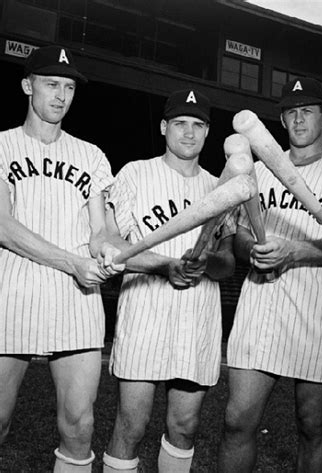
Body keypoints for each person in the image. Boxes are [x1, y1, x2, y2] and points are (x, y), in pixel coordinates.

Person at [218, 77, 322, 472]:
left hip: (319, 309)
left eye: (307, 111)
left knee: (312, 425)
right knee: (237, 420)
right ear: (281, 121)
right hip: (261, 307)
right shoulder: (257, 170)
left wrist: (293, 252)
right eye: (291, 113)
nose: (299, 119)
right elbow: (238, 235)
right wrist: (251, 249)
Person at [100, 89, 236, 473]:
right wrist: (164, 265)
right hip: (145, 312)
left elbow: (228, 262)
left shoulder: (220, 187)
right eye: (180, 124)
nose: (189, 134)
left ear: (208, 132)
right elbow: (112, 243)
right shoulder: (135, 173)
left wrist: (209, 261)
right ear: (164, 127)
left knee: (185, 427)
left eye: (198, 125)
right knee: (132, 425)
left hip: (196, 318)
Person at [0, 45, 122, 472]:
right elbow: (3, 227)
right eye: (51, 84)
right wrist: (72, 262)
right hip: (12, 293)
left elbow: (102, 228)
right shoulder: (1, 146)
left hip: (76, 299)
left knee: (79, 424)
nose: (60, 96)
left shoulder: (91, 155)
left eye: (68, 87)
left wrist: (107, 246)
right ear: (26, 85)